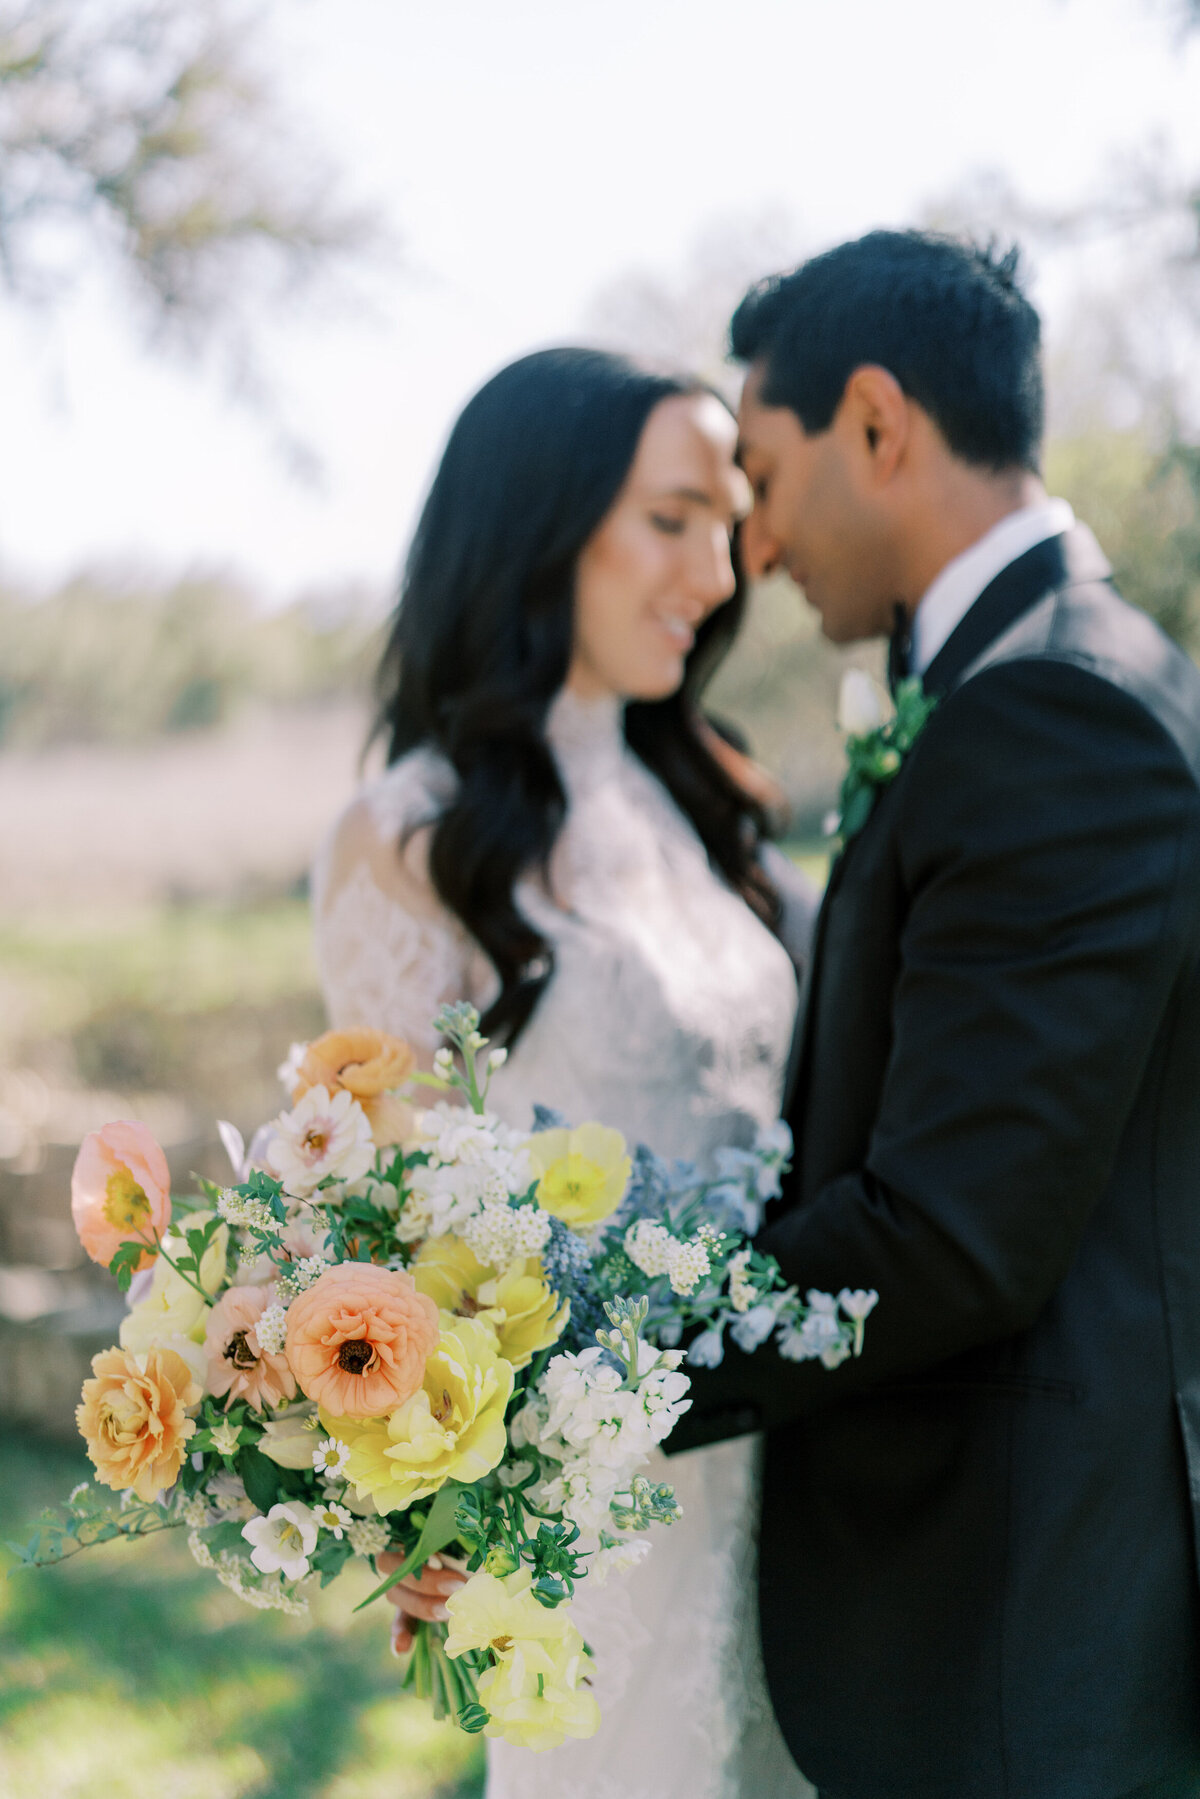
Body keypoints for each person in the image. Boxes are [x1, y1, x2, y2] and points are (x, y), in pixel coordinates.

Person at [668, 229, 1200, 1799]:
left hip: (1023, 1619)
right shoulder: (1044, 673)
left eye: (761, 473)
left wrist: (582, 1378)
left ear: (880, 425)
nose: (753, 547)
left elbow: (956, 1230)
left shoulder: (1055, 705)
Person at [310, 346, 818, 1799]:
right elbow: (391, 1222)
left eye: (727, 523)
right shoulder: (413, 836)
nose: (717, 572)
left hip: (802, 1476)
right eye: (672, 520)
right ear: (542, 525)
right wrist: (416, 1490)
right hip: (592, 1515)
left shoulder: (705, 806)